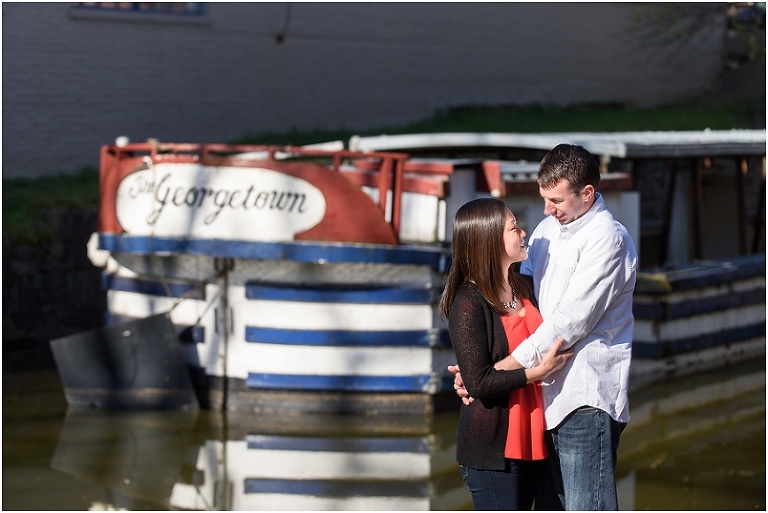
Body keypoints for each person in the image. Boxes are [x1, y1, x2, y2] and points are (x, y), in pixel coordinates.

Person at [451, 143, 638, 510]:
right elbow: (522, 303)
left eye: (556, 200)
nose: (547, 210)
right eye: (544, 199)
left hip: (584, 400)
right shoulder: (548, 229)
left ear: (586, 194)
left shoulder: (607, 240)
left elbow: (570, 321)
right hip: (542, 400)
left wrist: (496, 372)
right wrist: (477, 372)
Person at [438, 197, 573, 511]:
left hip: (539, 438)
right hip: (494, 445)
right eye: (514, 228)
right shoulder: (468, 303)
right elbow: (480, 384)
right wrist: (536, 373)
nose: (523, 233)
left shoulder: (526, 286)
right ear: (489, 241)